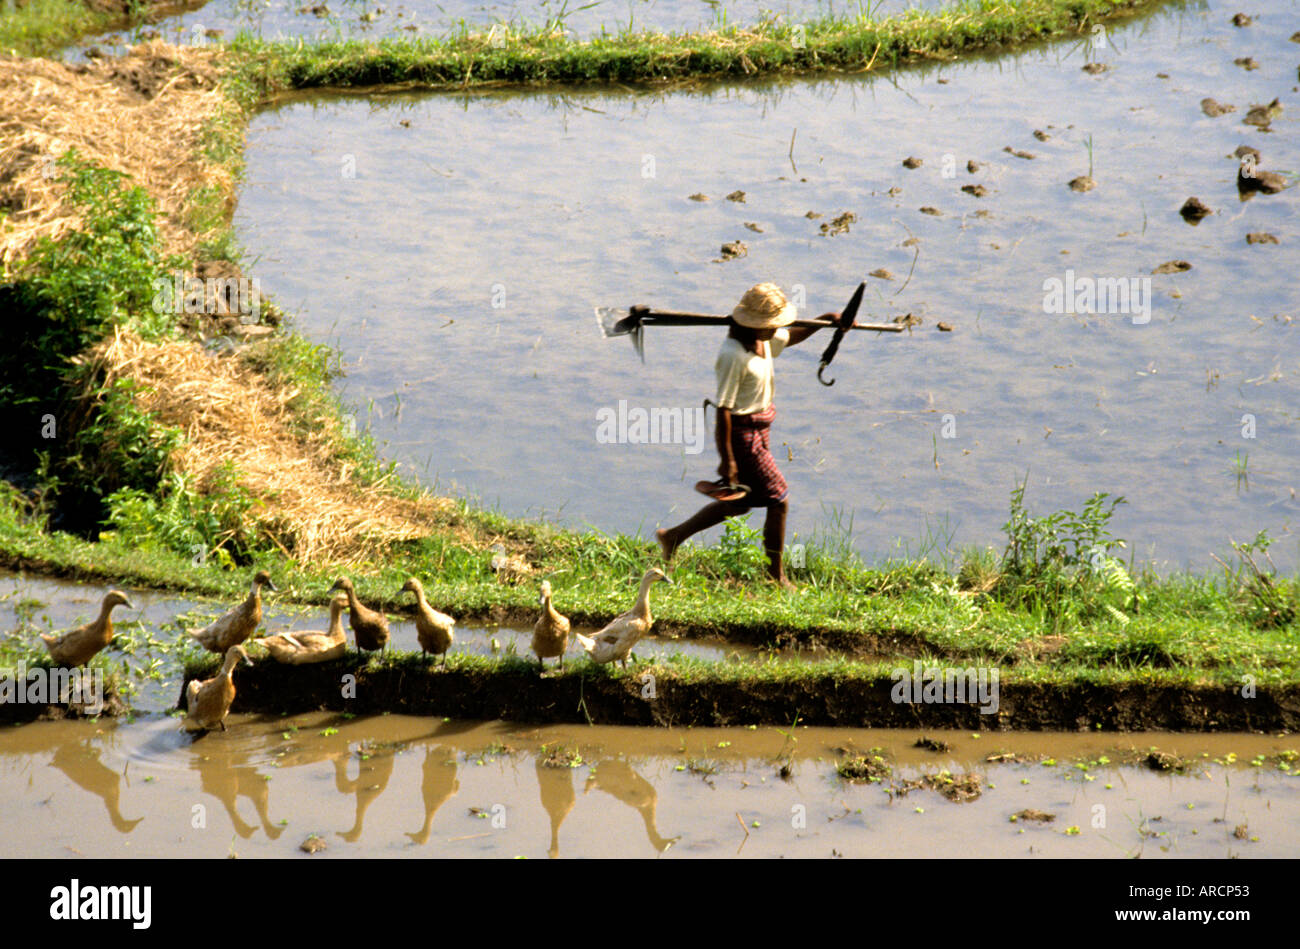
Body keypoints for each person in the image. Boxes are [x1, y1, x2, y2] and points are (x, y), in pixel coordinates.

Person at [656, 282, 841, 589]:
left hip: (761, 428)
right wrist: (727, 460)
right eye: (774, 324)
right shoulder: (733, 354)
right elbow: (723, 410)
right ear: (757, 324)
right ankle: (775, 577)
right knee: (779, 499)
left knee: (741, 502)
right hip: (743, 436)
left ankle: (672, 537)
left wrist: (824, 321)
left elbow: (789, 337)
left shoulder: (762, 338)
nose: (778, 329)